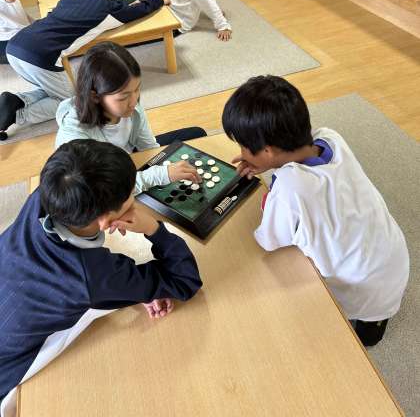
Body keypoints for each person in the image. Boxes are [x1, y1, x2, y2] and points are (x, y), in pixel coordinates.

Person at [0, 139, 202, 415]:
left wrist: (127, 291)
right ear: (106, 221)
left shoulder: (45, 195)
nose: (133, 202)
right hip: (9, 370)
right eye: (130, 200)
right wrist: (154, 229)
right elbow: (185, 281)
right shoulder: (94, 276)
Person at [222, 75, 409, 347]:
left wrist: (270, 198)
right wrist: (268, 164)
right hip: (393, 257)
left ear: (268, 150)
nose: (241, 152)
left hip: (367, 288)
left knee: (357, 338)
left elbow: (270, 240)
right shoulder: (331, 138)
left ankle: (371, 324)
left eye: (243, 146)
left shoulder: (290, 188)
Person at [0, 0, 168, 140]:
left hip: (15, 46)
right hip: (40, 57)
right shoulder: (109, 8)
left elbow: (83, 8)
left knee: (50, 87)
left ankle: (16, 101)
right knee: (72, 101)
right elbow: (140, 10)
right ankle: (18, 115)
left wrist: (122, 5)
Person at [55, 41, 206, 193]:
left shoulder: (132, 107)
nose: (134, 102)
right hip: (105, 178)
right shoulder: (74, 137)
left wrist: (164, 169)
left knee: (196, 134)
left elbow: (149, 148)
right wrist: (159, 175)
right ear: (95, 96)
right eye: (124, 97)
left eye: (137, 89)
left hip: (127, 157)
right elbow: (101, 190)